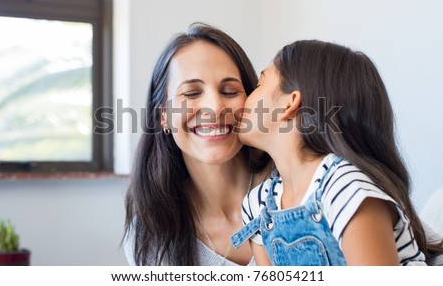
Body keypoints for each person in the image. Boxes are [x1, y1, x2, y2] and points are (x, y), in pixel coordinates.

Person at [231, 39, 443, 265]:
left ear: (289, 103)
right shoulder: (258, 205)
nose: (245, 100)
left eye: (258, 85)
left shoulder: (345, 188)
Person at [123, 23, 271, 265]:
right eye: (191, 93)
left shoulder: (295, 190)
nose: (214, 107)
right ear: (163, 115)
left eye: (230, 91)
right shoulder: (151, 231)